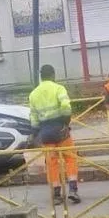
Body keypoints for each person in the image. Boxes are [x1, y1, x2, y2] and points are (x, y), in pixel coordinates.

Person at [28, 65, 80, 206]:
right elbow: (66, 107)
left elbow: (33, 117)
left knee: (51, 162)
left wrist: (36, 133)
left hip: (45, 131)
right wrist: (65, 122)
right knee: (70, 157)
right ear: (53, 74)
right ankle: (73, 190)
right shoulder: (58, 89)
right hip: (60, 128)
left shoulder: (33, 94)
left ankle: (56, 193)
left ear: (41, 76)